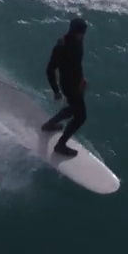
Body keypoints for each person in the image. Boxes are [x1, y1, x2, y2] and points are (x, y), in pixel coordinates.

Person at [41, 17, 89, 157]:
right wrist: (56, 90)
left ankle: (50, 124)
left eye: (83, 33)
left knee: (72, 109)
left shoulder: (78, 41)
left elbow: (76, 64)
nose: (82, 35)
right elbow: (49, 70)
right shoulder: (61, 46)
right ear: (74, 31)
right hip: (69, 86)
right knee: (81, 117)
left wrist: (81, 79)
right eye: (80, 33)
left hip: (77, 84)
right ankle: (60, 145)